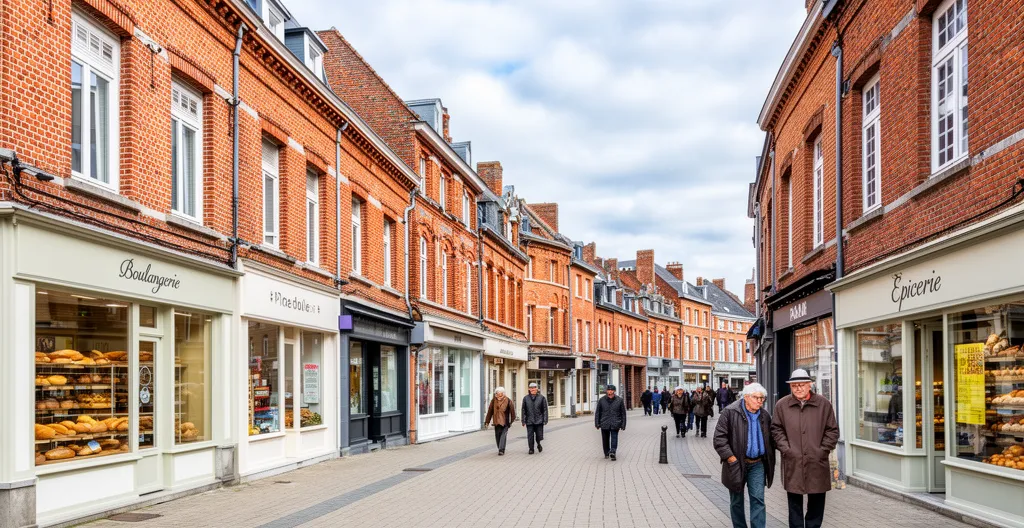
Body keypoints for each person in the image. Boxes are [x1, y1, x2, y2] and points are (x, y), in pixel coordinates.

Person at [771, 369, 840, 528]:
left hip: (817, 461)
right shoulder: (782, 405)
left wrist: (823, 450)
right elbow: (776, 429)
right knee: (794, 504)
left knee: (816, 504)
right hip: (793, 461)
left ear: (810, 385)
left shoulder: (823, 404)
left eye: (802, 385)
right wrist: (786, 449)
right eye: (794, 386)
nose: (798, 389)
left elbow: (832, 430)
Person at [713, 383, 776, 528]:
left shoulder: (765, 416)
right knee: (736, 500)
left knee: (758, 499)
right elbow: (719, 439)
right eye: (757, 398)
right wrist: (731, 458)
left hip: (758, 464)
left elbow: (772, 438)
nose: (760, 401)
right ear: (746, 397)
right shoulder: (730, 412)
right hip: (736, 463)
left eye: (762, 398)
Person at [594, 384, 627, 460]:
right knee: (605, 439)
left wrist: (623, 424)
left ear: (614, 391)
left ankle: (613, 452)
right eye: (609, 390)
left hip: (615, 422)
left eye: (611, 390)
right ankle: (606, 452)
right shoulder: (601, 400)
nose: (610, 392)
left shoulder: (619, 400)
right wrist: (597, 423)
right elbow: (598, 412)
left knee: (614, 438)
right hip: (604, 422)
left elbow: (623, 413)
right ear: (606, 391)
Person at [483, 387, 517, 455]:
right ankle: (500, 448)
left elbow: (512, 412)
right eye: (497, 394)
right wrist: (487, 421)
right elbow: (490, 411)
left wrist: (511, 421)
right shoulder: (493, 401)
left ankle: (501, 450)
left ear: (503, 394)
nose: (499, 396)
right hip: (496, 422)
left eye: (500, 394)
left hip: (505, 422)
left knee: (503, 436)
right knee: (497, 436)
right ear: (496, 394)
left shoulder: (508, 401)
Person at [521, 382, 549, 454]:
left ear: (537, 389)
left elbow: (545, 409)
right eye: (531, 388)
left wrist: (545, 419)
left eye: (534, 388)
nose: (533, 389)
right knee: (530, 436)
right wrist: (523, 420)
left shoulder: (542, 398)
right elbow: (523, 410)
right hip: (529, 420)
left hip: (539, 420)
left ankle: (539, 444)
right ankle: (531, 449)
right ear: (529, 389)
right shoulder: (526, 398)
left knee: (539, 435)